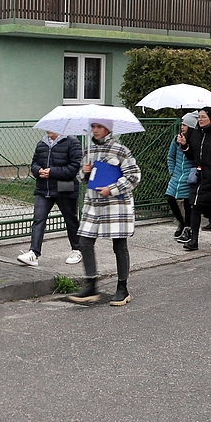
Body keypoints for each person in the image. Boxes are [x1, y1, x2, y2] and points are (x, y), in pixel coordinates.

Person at [67, 119, 141, 306]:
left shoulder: (120, 150)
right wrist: (84, 172)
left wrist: (112, 188)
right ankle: (91, 286)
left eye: (99, 126)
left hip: (116, 204)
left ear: (108, 128)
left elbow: (134, 176)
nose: (95, 130)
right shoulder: (88, 150)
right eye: (93, 126)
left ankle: (122, 288)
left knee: (119, 245)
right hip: (93, 204)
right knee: (84, 241)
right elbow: (83, 178)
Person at [17, 131, 83, 267]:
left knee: (70, 219)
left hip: (64, 188)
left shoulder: (72, 142)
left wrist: (52, 172)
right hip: (43, 189)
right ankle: (33, 253)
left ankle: (77, 249)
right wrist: (38, 171)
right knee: (38, 219)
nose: (49, 130)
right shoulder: (41, 144)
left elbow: (74, 167)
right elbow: (34, 163)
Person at [177, 107, 211, 251]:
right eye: (199, 117)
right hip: (198, 175)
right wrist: (184, 145)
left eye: (203, 117)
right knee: (195, 204)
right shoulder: (196, 133)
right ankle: (193, 240)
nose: (200, 120)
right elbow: (192, 155)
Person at [166, 112, 196, 243]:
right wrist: (172, 171)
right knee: (170, 197)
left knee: (187, 202)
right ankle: (181, 222)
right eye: (182, 124)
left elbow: (195, 157)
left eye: (185, 124)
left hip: (189, 176)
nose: (182, 127)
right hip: (177, 174)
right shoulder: (175, 139)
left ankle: (187, 228)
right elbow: (170, 156)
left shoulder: (195, 140)